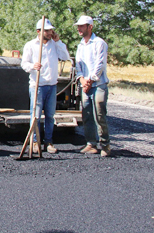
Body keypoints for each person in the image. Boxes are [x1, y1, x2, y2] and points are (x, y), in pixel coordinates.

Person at [21, 18, 70, 154]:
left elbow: (65, 57)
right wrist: (33, 66)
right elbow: (24, 64)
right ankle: (35, 141)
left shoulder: (54, 45)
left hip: (51, 85)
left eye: (51, 30)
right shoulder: (30, 45)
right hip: (37, 85)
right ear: (39, 31)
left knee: (50, 115)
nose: (50, 32)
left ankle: (48, 141)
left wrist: (58, 42)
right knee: (35, 115)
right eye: (47, 30)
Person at [74, 16, 111, 157]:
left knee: (99, 115)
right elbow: (79, 64)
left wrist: (90, 80)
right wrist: (81, 79)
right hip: (86, 85)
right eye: (78, 26)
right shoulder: (80, 45)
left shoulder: (99, 43)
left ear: (90, 27)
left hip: (98, 84)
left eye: (82, 26)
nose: (79, 29)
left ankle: (105, 144)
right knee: (87, 115)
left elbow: (99, 64)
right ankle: (91, 143)